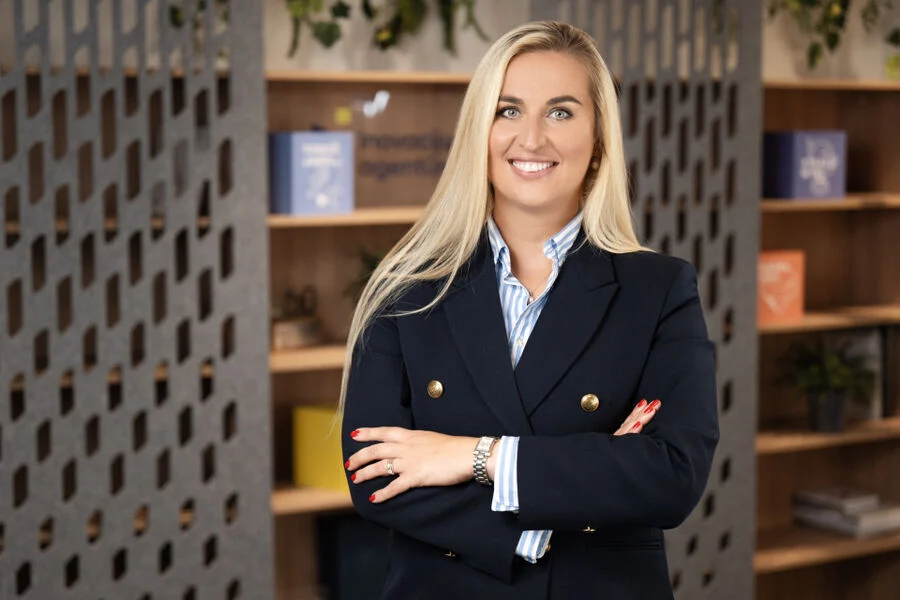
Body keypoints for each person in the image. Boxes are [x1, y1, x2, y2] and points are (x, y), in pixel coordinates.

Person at [339, 20, 719, 600]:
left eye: (561, 112)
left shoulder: (660, 288)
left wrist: (475, 456)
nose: (532, 138)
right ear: (479, 132)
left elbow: (671, 476)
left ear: (599, 140)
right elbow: (374, 475)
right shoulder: (407, 287)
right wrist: (567, 498)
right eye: (508, 110)